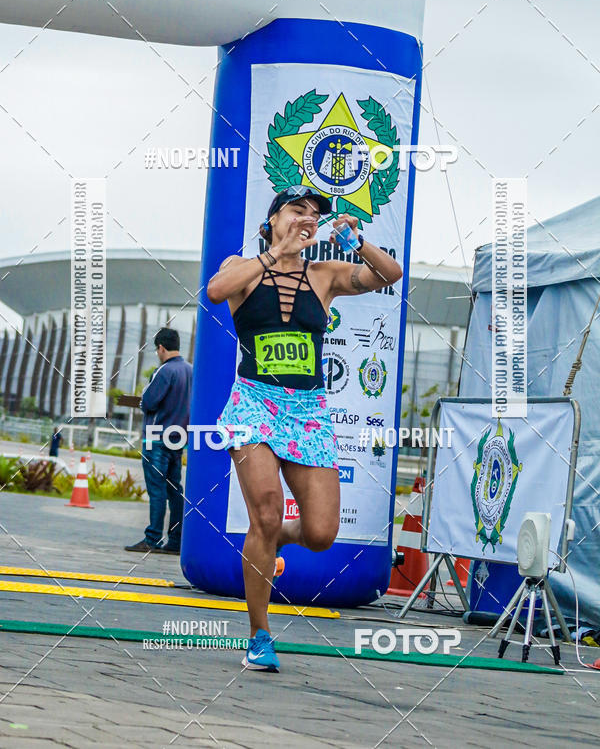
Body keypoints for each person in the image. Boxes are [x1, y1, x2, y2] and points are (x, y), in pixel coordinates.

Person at [207, 184, 403, 671]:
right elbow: (215, 291)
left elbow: (389, 274)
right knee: (266, 512)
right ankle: (259, 635)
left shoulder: (323, 274)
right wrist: (276, 253)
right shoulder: (243, 267)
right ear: (273, 220)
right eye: (297, 209)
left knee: (320, 533)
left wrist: (357, 242)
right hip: (254, 402)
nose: (307, 218)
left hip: (307, 410)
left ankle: (272, 541)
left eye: (314, 213)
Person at [125, 327, 193, 555]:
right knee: (175, 490)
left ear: (161, 348)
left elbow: (149, 402)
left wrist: (143, 398)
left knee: (157, 490)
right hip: (179, 439)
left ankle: (152, 538)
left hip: (156, 438)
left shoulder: (164, 371)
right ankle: (176, 540)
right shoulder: (190, 370)